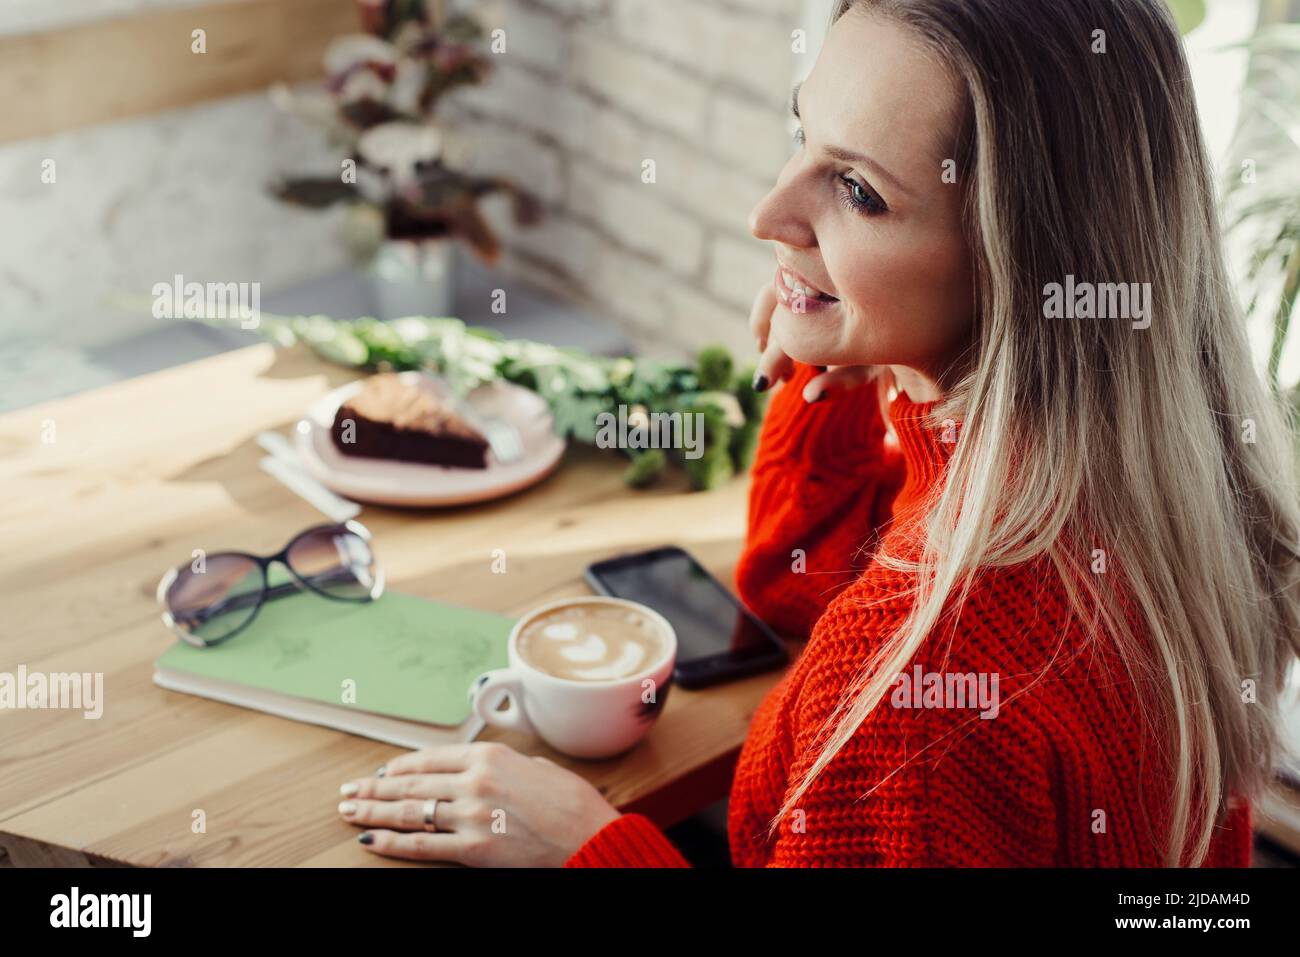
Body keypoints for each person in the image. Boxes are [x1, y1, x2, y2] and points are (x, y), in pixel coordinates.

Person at [332, 0, 1300, 867]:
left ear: (1016, 266)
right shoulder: (1156, 490)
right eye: (801, 135)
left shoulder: (914, 714)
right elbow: (794, 588)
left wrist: (584, 845)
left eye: (860, 192)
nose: (767, 214)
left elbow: (882, 674)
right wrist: (835, 369)